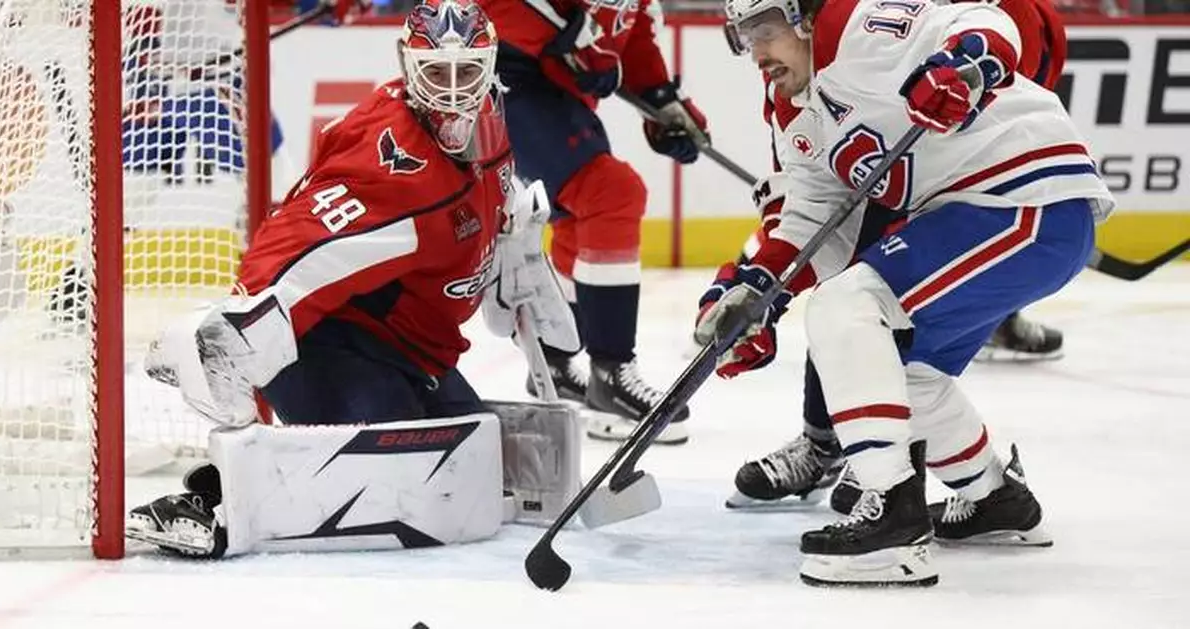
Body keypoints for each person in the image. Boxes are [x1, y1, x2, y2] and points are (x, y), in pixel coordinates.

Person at [123, 0, 581, 559]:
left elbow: (488, 199)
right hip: (326, 345)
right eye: (438, 73)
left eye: (469, 73)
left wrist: (514, 237)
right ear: (408, 65)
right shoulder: (393, 161)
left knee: (476, 459)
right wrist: (247, 323)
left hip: (414, 351)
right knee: (399, 477)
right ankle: (209, 508)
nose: (456, 90)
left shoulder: (489, 119)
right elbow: (300, 237)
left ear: (490, 68)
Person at [695, 0, 1113, 586]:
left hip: (1023, 200)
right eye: (743, 36)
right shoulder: (797, 108)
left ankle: (891, 510)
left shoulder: (856, 24)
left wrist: (965, 68)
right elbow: (814, 216)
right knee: (908, 372)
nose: (756, 52)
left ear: (805, 17)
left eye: (764, 30)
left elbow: (987, 23)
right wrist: (757, 290)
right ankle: (993, 497)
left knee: (847, 306)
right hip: (986, 213)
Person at [478, 0, 710, 445]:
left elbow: (632, 32)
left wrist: (662, 104)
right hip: (503, 73)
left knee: (583, 210)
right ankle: (611, 372)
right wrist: (564, 31)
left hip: (554, 92)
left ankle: (554, 358)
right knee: (609, 191)